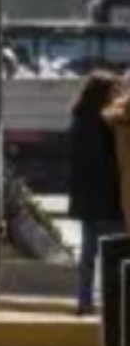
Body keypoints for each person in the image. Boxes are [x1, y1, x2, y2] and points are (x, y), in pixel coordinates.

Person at [71, 71, 126, 314]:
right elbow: (110, 163)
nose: (117, 96)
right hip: (108, 200)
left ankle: (84, 302)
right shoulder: (107, 123)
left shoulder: (79, 119)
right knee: (114, 256)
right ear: (104, 94)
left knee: (88, 255)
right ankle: (112, 307)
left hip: (86, 199)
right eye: (114, 92)